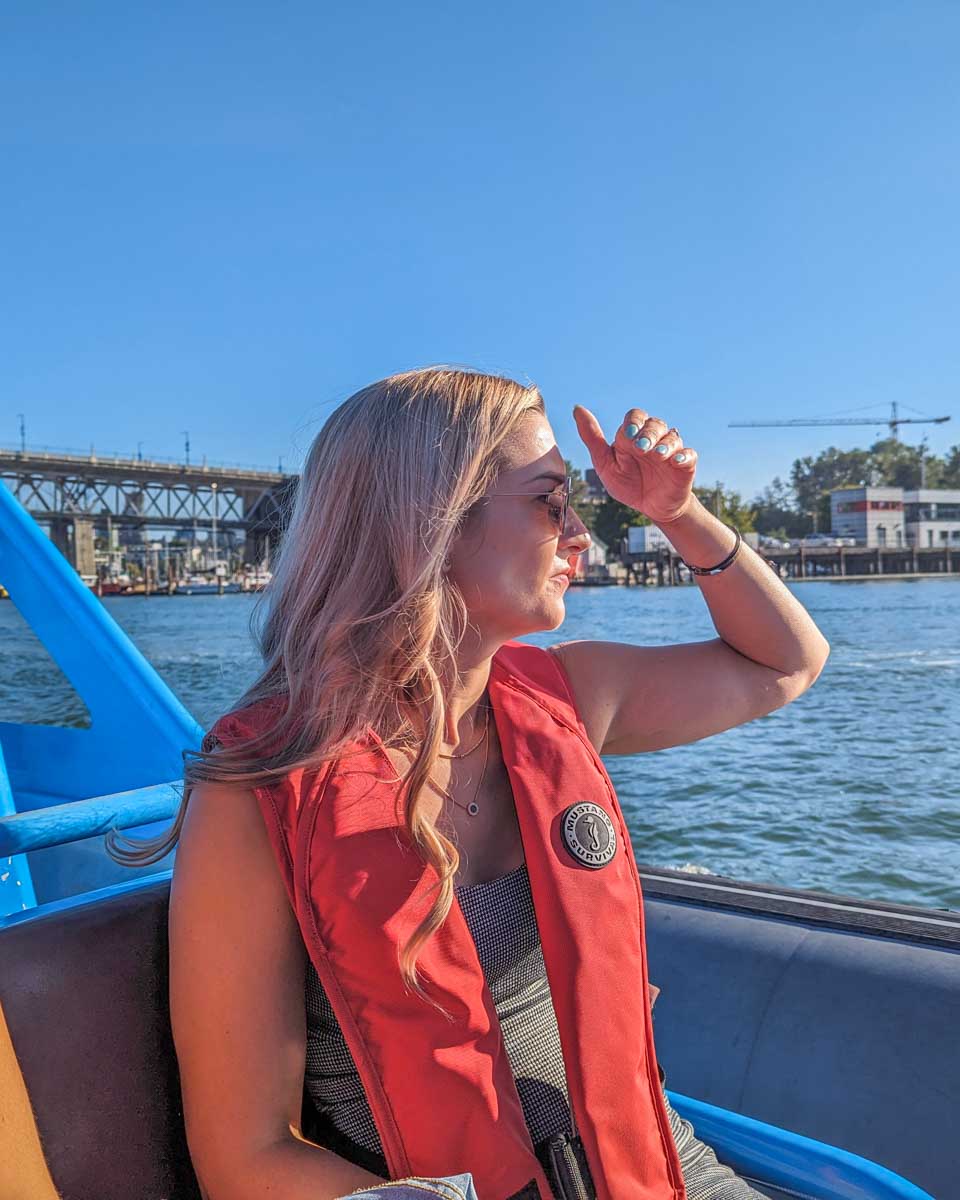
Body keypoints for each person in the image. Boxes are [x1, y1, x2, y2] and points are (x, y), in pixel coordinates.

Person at [112, 367, 829, 1200]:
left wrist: (677, 514)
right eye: (552, 504)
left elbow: (786, 663)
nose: (580, 540)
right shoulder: (261, 786)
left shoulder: (570, 698)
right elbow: (246, 1160)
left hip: (660, 1171)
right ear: (436, 524)